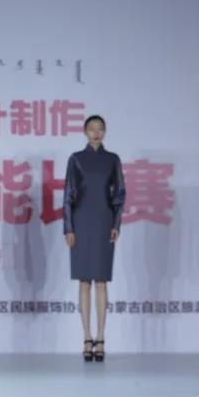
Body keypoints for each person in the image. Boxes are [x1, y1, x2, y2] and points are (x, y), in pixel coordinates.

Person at [63, 115, 126, 362]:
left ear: (105, 132)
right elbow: (68, 195)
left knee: (101, 281)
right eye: (92, 129)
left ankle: (101, 337)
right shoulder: (76, 159)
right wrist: (69, 227)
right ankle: (86, 336)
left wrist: (116, 223)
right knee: (83, 282)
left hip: (103, 222)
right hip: (80, 223)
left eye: (100, 129)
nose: (96, 133)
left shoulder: (112, 160)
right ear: (85, 131)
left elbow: (119, 194)